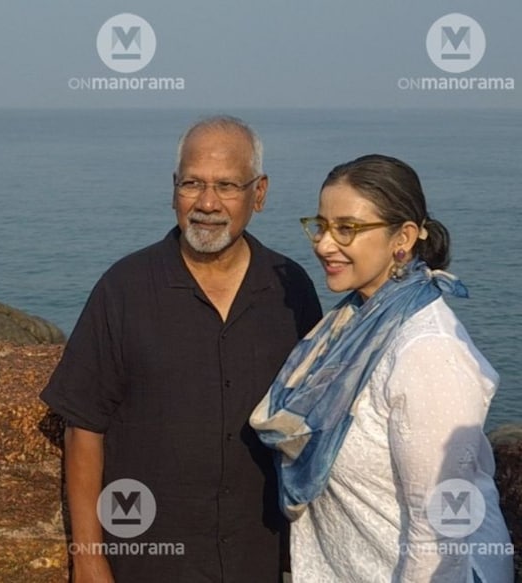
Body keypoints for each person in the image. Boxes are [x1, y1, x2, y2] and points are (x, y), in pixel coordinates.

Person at [41, 116, 322, 582]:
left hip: (260, 558)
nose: (207, 203)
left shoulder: (290, 288)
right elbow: (83, 429)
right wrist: (88, 558)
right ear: (174, 189)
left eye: (227, 186)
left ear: (259, 193)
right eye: (193, 183)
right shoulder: (125, 289)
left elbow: (313, 421)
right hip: (147, 561)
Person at [250, 154, 513, 582]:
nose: (323, 244)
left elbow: (439, 533)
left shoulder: (427, 352)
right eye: (320, 225)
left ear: (403, 237)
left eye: (346, 228)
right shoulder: (353, 323)